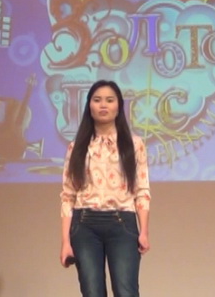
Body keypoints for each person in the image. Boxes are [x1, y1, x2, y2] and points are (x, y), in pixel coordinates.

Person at [60, 80, 151, 297]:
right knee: (92, 292)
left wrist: (144, 231)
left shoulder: (134, 144)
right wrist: (65, 242)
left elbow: (141, 190)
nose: (103, 105)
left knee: (126, 291)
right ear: (89, 105)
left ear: (118, 106)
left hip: (122, 223)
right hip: (84, 225)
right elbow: (68, 195)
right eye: (97, 100)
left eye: (110, 100)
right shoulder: (77, 147)